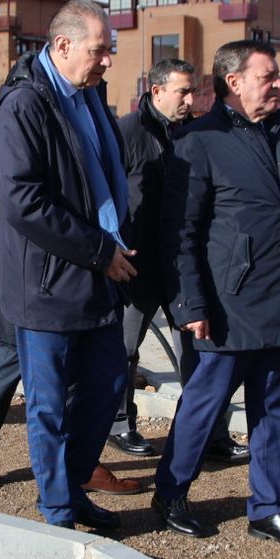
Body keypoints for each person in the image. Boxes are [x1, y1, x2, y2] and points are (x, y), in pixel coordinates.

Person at [150, 41, 280, 551]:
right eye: (268, 77)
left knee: (278, 409)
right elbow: (179, 232)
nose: (278, 85)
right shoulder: (199, 140)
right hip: (227, 306)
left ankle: (270, 509)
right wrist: (190, 305)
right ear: (234, 81)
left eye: (276, 77)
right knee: (205, 406)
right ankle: (171, 493)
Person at [0, 51, 144, 498]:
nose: (106, 61)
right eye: (97, 50)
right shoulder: (25, 101)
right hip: (33, 270)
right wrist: (19, 248)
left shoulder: (91, 99)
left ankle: (80, 465)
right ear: (64, 48)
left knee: (83, 376)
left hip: (81, 266)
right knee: (9, 366)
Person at [111, 58, 251, 464]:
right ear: (156, 92)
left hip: (185, 265)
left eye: (194, 91)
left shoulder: (195, 134)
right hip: (137, 265)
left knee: (200, 352)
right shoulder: (128, 133)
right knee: (125, 349)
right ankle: (120, 424)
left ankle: (209, 432)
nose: (191, 99)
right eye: (182, 92)